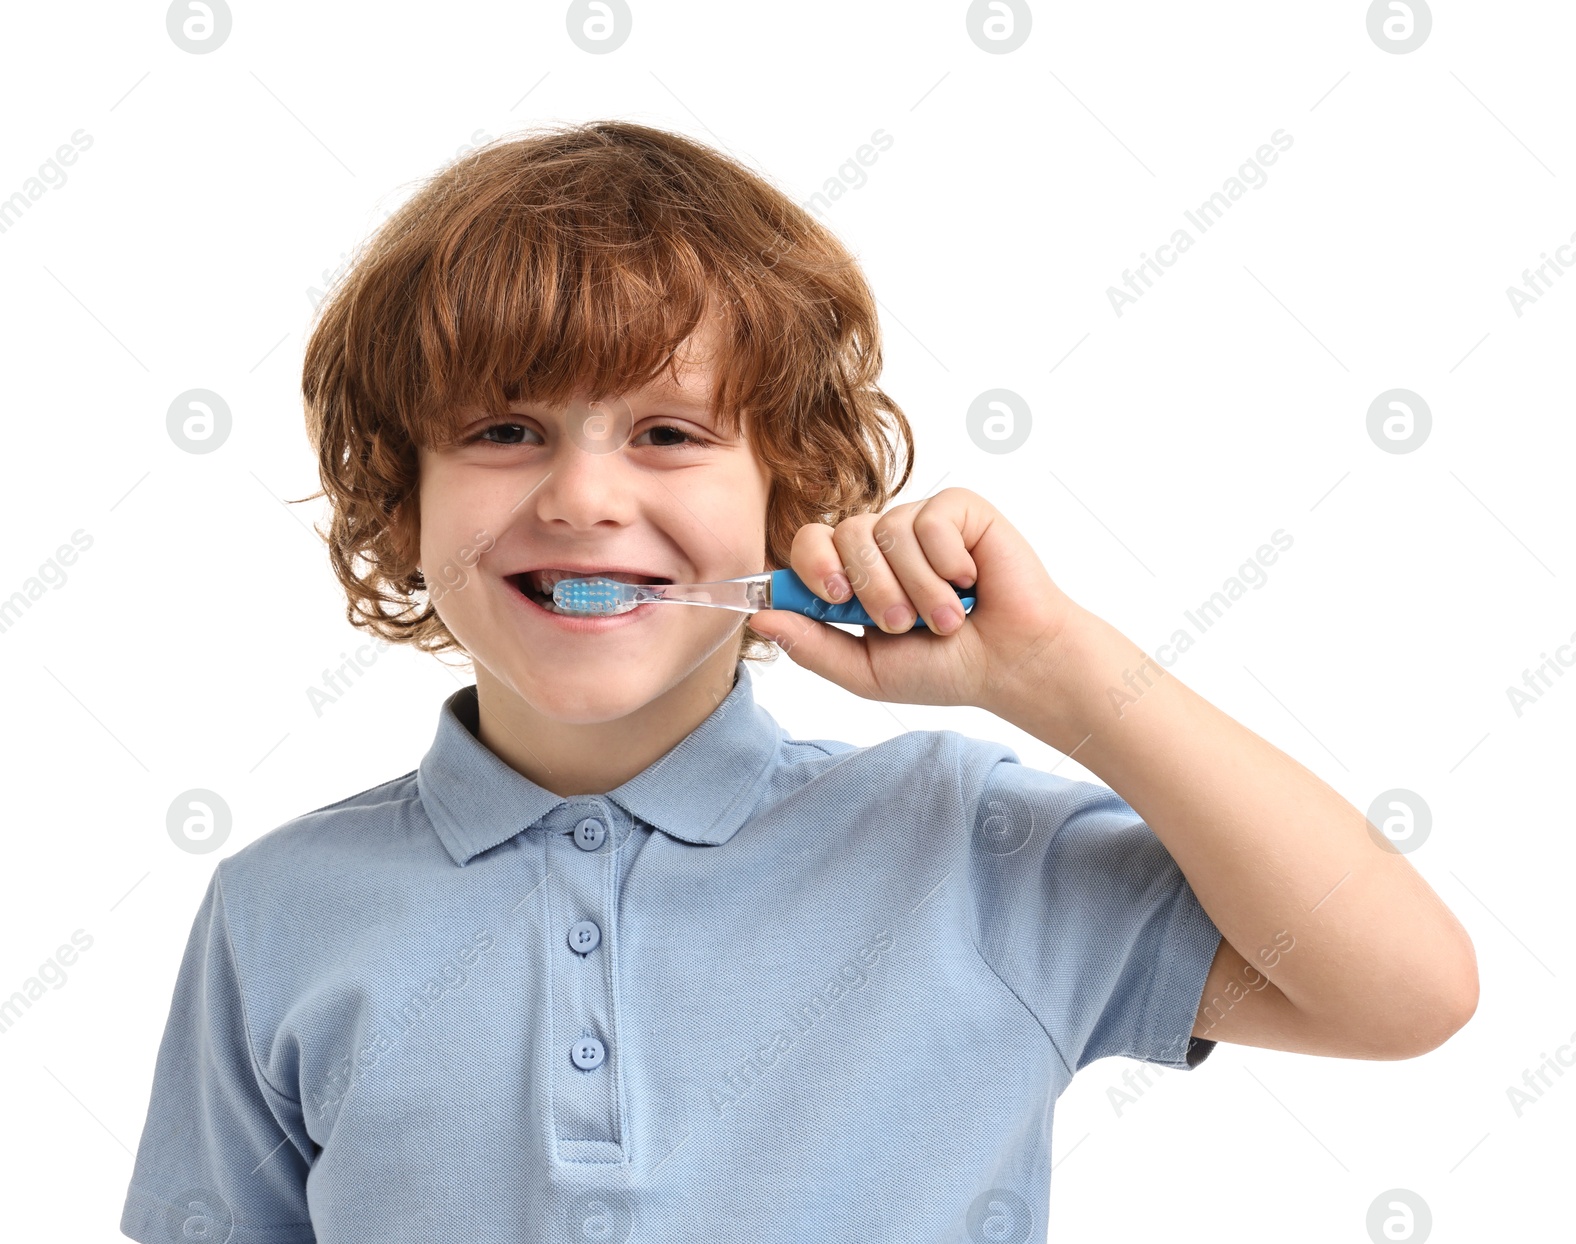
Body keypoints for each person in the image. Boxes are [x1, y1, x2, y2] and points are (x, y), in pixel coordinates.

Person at [120, 120, 1478, 1243]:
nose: (584, 496)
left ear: (792, 496)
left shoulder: (970, 846)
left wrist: (1058, 676)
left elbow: (1405, 992)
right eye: (501, 430)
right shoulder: (278, 912)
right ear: (399, 497)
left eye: (667, 432)